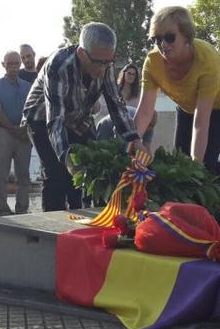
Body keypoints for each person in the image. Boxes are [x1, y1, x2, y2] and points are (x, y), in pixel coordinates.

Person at [22, 22, 145, 211]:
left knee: (90, 166)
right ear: (81, 53)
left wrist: (134, 138)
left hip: (78, 116)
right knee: (57, 172)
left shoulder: (104, 64)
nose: (103, 69)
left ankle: (83, 214)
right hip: (42, 118)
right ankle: (53, 227)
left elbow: (116, 104)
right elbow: (56, 120)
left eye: (108, 62)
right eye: (98, 63)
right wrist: (66, 156)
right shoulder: (59, 66)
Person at [133, 6, 220, 174]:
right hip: (187, 107)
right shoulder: (152, 62)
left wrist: (196, 167)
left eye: (170, 37)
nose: (163, 44)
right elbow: (144, 112)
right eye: (157, 39)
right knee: (179, 163)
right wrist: (131, 143)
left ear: (186, 35)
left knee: (203, 164)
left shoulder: (206, 58)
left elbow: (201, 122)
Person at [0, 51, 32, 216]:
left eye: (16, 63)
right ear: (3, 65)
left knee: (23, 174)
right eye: (10, 63)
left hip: (24, 133)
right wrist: (13, 128)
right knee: (1, 173)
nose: (13, 67)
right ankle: (2, 209)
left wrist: (23, 128)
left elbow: (30, 110)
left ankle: (22, 208)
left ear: (20, 64)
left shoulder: (28, 86)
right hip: (4, 132)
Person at [117, 62, 155, 147]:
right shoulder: (115, 91)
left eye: (133, 74)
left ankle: (146, 149)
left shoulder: (138, 94)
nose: (131, 76)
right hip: (118, 123)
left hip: (134, 126)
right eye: (129, 73)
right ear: (124, 74)